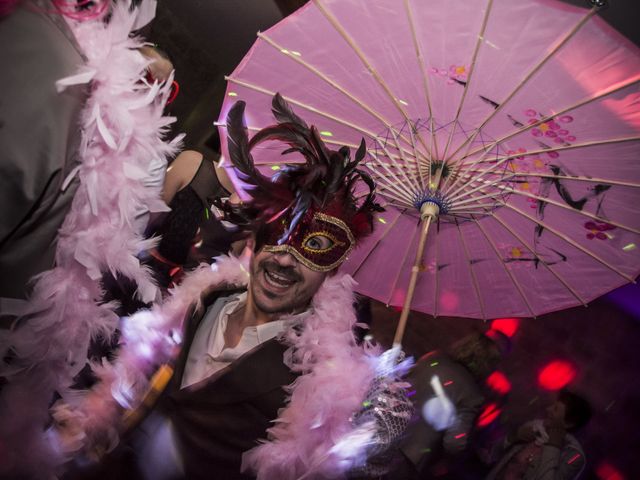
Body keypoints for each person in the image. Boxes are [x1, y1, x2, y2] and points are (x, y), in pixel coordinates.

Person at [76, 93, 384, 480]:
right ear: (255, 238)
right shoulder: (207, 295)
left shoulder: (314, 380)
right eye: (279, 235)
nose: (286, 259)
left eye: (315, 247)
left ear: (333, 269)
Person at [390, 330, 510, 479]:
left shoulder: (433, 357)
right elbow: (455, 443)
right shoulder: (473, 394)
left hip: (383, 435)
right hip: (406, 459)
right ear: (489, 364)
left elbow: (400, 384)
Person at [486, 390, 591, 480]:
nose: (548, 409)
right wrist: (514, 436)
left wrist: (553, 446)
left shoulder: (574, 456)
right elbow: (493, 455)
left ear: (569, 423)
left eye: (555, 409)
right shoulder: (534, 426)